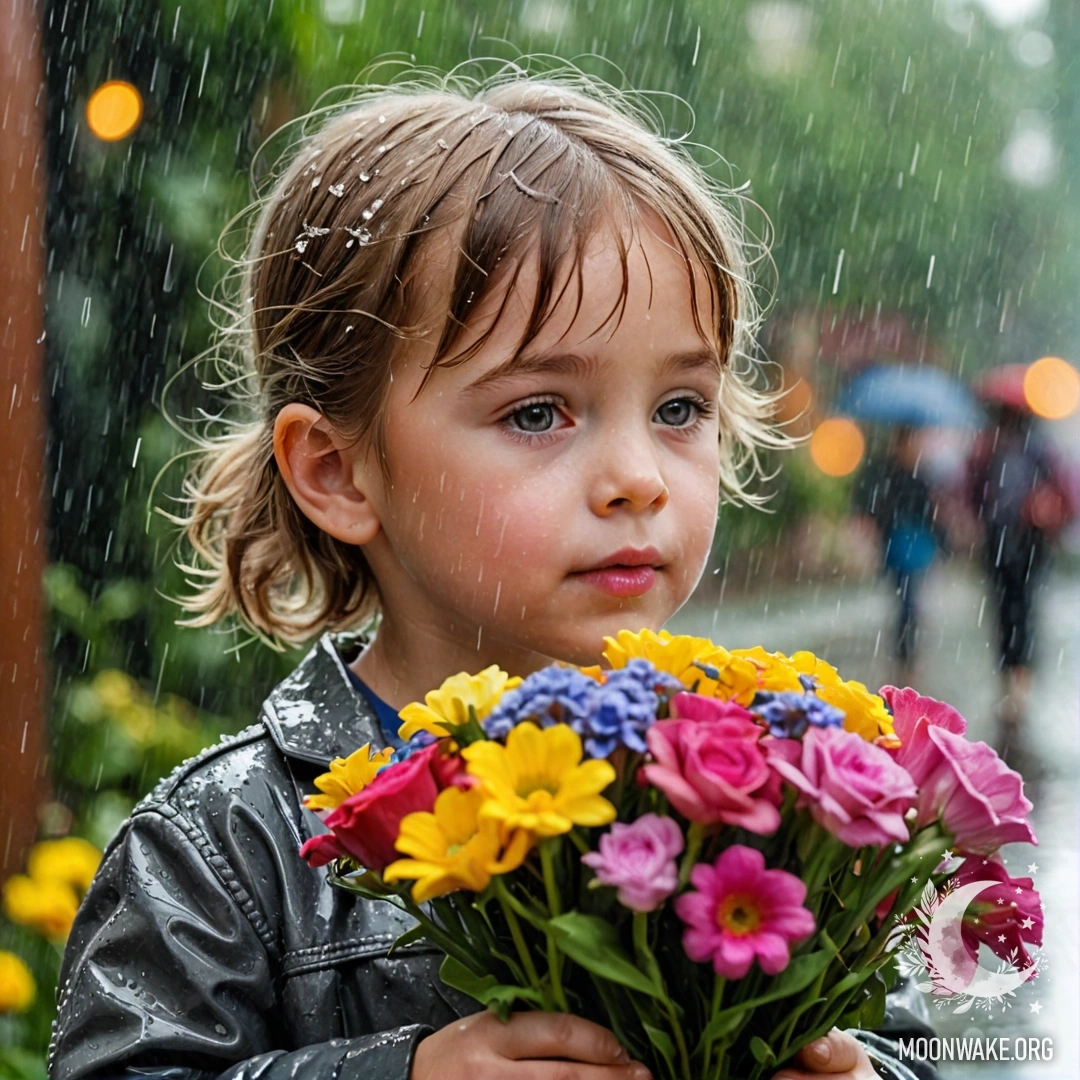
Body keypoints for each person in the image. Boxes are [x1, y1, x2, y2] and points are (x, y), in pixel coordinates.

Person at [48, 70, 939, 1080]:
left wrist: (863, 1073)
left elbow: (903, 1042)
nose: (638, 479)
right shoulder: (226, 847)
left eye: (680, 407)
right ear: (338, 473)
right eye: (537, 412)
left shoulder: (775, 793)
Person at [967, 403, 1073, 754]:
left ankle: (1019, 682)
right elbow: (974, 493)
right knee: (1005, 611)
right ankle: (1011, 678)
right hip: (1000, 544)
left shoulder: (1038, 450)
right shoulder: (989, 449)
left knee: (1021, 610)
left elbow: (1064, 491)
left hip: (1028, 542)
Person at [852, 426, 946, 684]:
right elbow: (873, 505)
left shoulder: (919, 475)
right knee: (907, 604)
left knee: (909, 603)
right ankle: (905, 655)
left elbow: (931, 514)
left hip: (916, 548)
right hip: (898, 546)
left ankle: (907, 655)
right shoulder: (888, 473)